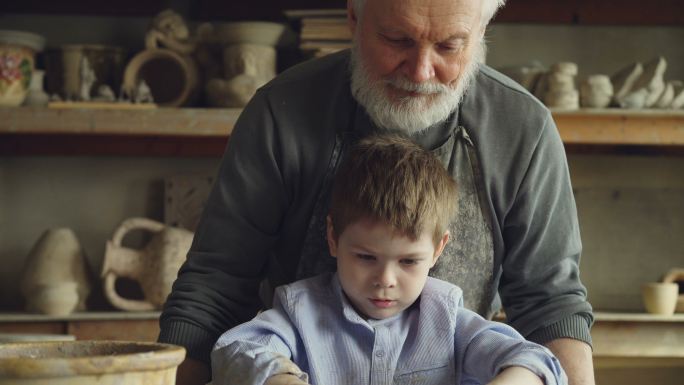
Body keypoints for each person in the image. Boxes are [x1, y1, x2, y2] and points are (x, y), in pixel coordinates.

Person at [159, 1, 595, 384]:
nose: (421, 72)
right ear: (353, 16)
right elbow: (214, 291)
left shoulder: (523, 129)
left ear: (481, 33)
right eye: (397, 39)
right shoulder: (280, 114)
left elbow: (550, 306)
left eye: (449, 46)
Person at [210, 134, 568, 385]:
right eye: (366, 257)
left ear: (438, 250)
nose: (385, 279)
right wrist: (278, 378)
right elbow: (233, 350)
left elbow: (538, 362)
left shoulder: (448, 321)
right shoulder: (300, 312)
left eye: (409, 262)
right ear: (333, 238)